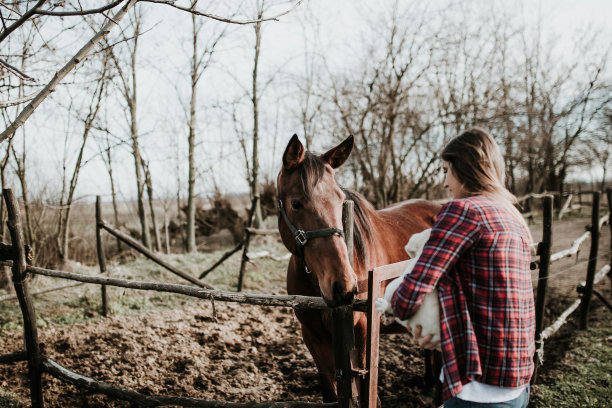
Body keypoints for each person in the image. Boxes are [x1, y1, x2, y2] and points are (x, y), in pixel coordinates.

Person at [391, 128, 535, 408]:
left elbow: (407, 298)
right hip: (516, 381)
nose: (445, 183)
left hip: (475, 387)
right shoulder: (512, 216)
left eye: (447, 170)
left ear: (464, 169)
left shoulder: (463, 211)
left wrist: (416, 318)